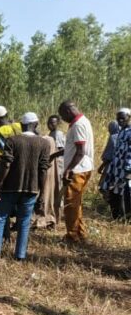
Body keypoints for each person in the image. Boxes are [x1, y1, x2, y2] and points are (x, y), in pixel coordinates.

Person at [0, 113, 51, 261]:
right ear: (36, 125)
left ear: (21, 125)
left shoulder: (12, 140)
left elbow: (6, 165)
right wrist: (42, 193)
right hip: (31, 188)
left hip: (10, 187)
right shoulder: (44, 143)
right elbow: (43, 170)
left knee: (1, 217)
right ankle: (20, 256)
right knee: (24, 222)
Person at [55, 101, 94, 244]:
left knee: (71, 205)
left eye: (62, 116)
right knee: (76, 204)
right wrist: (54, 155)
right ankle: (80, 233)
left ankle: (72, 237)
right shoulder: (81, 121)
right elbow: (73, 147)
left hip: (77, 170)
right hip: (82, 168)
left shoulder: (78, 125)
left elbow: (80, 151)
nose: (63, 119)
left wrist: (69, 169)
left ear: (67, 111)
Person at [99, 109, 131, 220]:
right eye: (118, 118)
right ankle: (117, 217)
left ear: (129, 118)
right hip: (116, 167)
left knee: (125, 194)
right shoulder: (121, 131)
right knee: (114, 192)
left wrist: (128, 170)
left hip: (125, 169)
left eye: (123, 118)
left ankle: (125, 218)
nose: (120, 120)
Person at [47, 115, 66, 180]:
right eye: (49, 123)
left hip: (59, 162)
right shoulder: (51, 133)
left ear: (57, 124)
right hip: (55, 160)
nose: (50, 125)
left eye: (52, 123)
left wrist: (51, 156)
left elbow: (61, 150)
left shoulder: (58, 134)